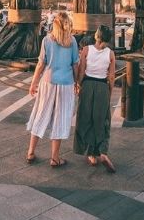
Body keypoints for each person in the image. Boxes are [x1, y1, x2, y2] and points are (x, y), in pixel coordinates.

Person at [26, 11, 79, 167]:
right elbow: (75, 65)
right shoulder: (72, 41)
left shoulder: (47, 40)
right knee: (60, 119)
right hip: (66, 83)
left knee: (40, 115)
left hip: (48, 82)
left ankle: (30, 152)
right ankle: (55, 158)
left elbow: (41, 64)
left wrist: (33, 83)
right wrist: (77, 82)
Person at [73, 25, 116, 172]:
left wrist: (78, 85)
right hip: (102, 87)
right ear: (108, 39)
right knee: (103, 120)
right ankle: (102, 152)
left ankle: (91, 154)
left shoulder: (86, 50)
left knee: (86, 119)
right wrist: (109, 92)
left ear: (96, 36)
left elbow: (81, 71)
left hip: (87, 86)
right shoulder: (111, 54)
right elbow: (111, 76)